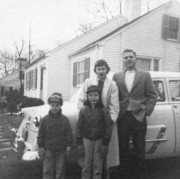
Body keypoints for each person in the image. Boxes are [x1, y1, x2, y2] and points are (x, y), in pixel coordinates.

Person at [113, 49, 157, 178]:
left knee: (139, 148)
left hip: (139, 117)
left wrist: (146, 111)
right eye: (125, 57)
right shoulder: (117, 76)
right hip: (123, 117)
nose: (128, 59)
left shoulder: (145, 75)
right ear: (122, 60)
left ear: (135, 58)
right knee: (122, 148)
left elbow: (153, 95)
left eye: (131, 57)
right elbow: (114, 96)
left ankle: (138, 175)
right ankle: (125, 174)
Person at [78, 59, 120, 176]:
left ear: (107, 70)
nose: (101, 71)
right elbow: (82, 100)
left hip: (106, 122)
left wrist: (108, 122)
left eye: (103, 69)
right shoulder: (88, 81)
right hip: (90, 121)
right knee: (89, 157)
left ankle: (105, 175)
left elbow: (114, 106)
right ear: (95, 70)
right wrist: (85, 116)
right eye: (99, 69)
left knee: (103, 155)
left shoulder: (112, 84)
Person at [76, 85, 113, 179]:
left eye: (95, 95)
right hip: (86, 140)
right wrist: (79, 143)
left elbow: (109, 126)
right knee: (86, 164)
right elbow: (79, 127)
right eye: (91, 95)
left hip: (99, 140)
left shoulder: (104, 110)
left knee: (98, 165)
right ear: (87, 96)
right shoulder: (83, 110)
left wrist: (105, 143)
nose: (93, 97)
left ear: (99, 96)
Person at [37, 92, 72, 179]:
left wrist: (69, 145)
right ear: (49, 105)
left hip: (61, 150)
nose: (54, 108)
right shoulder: (44, 120)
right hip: (48, 150)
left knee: (60, 170)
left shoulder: (65, 120)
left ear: (61, 106)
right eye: (52, 105)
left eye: (57, 105)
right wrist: (41, 146)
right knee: (47, 170)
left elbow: (69, 134)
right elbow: (40, 134)